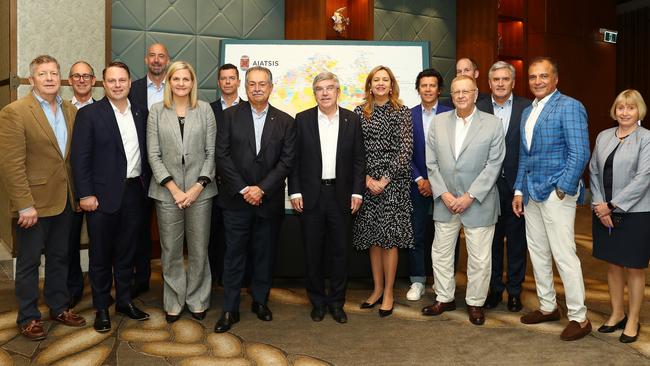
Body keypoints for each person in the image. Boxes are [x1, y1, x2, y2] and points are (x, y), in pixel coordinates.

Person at [0, 55, 86, 340]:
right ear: (31, 79)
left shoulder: (70, 110)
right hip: (33, 205)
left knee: (61, 258)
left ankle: (58, 307)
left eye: (53, 73)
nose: (49, 78)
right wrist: (24, 204)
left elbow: (70, 159)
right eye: (42, 73)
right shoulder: (16, 111)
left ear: (60, 78)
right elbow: (11, 163)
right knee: (28, 263)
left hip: (64, 199)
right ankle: (28, 316)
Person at [512, 57, 591, 341]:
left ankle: (579, 317)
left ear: (555, 79)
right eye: (533, 77)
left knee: (564, 254)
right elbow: (525, 155)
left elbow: (580, 152)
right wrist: (519, 190)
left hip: (557, 193)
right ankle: (548, 306)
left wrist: (563, 188)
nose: (537, 81)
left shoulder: (569, 106)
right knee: (539, 252)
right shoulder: (528, 111)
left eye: (543, 76)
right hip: (531, 193)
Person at [214, 66, 295, 333]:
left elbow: (286, 162)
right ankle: (230, 308)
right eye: (252, 84)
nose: (257, 88)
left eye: (262, 84)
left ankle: (260, 302)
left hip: (268, 201)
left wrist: (261, 189)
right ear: (244, 87)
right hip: (236, 201)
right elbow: (222, 156)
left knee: (264, 255)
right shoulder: (228, 116)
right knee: (233, 256)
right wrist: (244, 189)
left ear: (271, 87)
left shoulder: (285, 121)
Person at [71, 61, 151, 332]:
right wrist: (86, 194)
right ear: (103, 84)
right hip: (101, 197)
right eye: (112, 81)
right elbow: (79, 159)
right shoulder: (90, 114)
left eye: (122, 80)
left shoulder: (142, 113)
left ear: (130, 82)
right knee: (101, 255)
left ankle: (125, 301)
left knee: (128, 252)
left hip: (134, 193)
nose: (117, 85)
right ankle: (102, 307)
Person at [420, 75, 505, 325]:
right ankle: (444, 297)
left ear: (476, 94)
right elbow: (431, 163)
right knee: (441, 253)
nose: (460, 96)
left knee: (479, 258)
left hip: (478, 202)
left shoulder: (492, 124)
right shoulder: (438, 122)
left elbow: (494, 165)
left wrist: (469, 196)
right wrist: (444, 194)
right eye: (456, 92)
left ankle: (475, 303)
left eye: (465, 91)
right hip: (445, 201)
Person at [289, 72, 365, 323]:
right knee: (313, 252)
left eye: (329, 88)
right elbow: (294, 160)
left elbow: (358, 160)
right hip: (311, 195)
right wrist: (295, 190)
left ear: (337, 91)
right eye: (319, 89)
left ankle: (337, 303)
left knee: (340, 252)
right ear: (315, 93)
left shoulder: (352, 120)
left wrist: (357, 191)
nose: (325, 93)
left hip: (341, 195)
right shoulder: (302, 119)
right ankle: (318, 302)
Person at [147, 61, 217, 323]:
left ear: (192, 83)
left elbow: (212, 153)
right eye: (176, 79)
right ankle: (174, 300)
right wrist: (175, 189)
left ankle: (198, 298)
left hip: (201, 193)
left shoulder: (205, 110)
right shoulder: (156, 111)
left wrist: (198, 187)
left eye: (186, 79)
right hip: (167, 193)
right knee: (171, 250)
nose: (181, 84)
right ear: (169, 82)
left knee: (199, 249)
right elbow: (153, 154)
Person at [589, 89, 650, 343]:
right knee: (613, 264)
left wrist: (612, 205)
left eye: (631, 108)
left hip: (635, 213)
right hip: (603, 211)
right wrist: (599, 205)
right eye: (621, 107)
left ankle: (633, 319)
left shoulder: (646, 138)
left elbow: (644, 177)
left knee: (634, 268)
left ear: (639, 111)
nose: (625, 112)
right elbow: (593, 170)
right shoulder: (604, 136)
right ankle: (617, 314)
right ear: (615, 111)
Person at [353, 65, 413, 317]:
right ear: (369, 85)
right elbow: (354, 150)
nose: (380, 83)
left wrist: (384, 179)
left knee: (389, 240)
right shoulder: (359, 112)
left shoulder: (402, 112)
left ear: (391, 85)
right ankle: (376, 289)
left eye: (384, 80)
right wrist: (367, 179)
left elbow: (405, 150)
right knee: (373, 239)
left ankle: (389, 292)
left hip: (394, 184)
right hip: (366, 184)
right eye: (376, 80)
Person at [476, 61, 531, 312]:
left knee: (518, 241)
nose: (500, 83)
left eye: (505, 79)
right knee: (492, 242)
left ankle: (515, 291)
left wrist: (521, 186)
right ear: (488, 83)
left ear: (513, 82)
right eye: (495, 79)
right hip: (487, 187)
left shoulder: (527, 108)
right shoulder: (478, 107)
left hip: (516, 187)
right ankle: (495, 289)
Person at [128, 43, 171, 298]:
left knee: (173, 232)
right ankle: (141, 278)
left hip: (175, 172)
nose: (156, 60)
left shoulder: (178, 87)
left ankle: (174, 281)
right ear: (146, 60)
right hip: (142, 172)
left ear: (168, 60)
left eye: (161, 56)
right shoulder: (132, 89)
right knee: (140, 228)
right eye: (152, 56)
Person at [407, 68, 452, 301]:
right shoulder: (408, 115)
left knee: (446, 235)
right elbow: (405, 153)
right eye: (423, 85)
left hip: (446, 186)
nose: (427, 89)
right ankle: (418, 280)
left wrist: (437, 182)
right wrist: (420, 179)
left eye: (432, 85)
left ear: (439, 89)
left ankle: (444, 280)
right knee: (417, 233)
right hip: (417, 185)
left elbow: (455, 152)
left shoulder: (450, 114)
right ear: (418, 89)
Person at [66, 60, 97, 309]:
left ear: (94, 81)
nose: (81, 80)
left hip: (99, 189)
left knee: (100, 242)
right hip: (70, 187)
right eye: (77, 76)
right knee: (69, 242)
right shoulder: (63, 110)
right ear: (69, 80)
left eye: (86, 76)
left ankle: (101, 288)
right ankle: (73, 288)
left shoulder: (103, 110)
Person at [209, 63, 242, 285]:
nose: (228, 82)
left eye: (232, 78)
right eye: (224, 78)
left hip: (240, 183)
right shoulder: (207, 109)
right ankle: (214, 277)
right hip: (212, 181)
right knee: (214, 235)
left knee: (238, 237)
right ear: (219, 82)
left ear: (238, 81)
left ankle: (238, 279)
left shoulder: (250, 108)